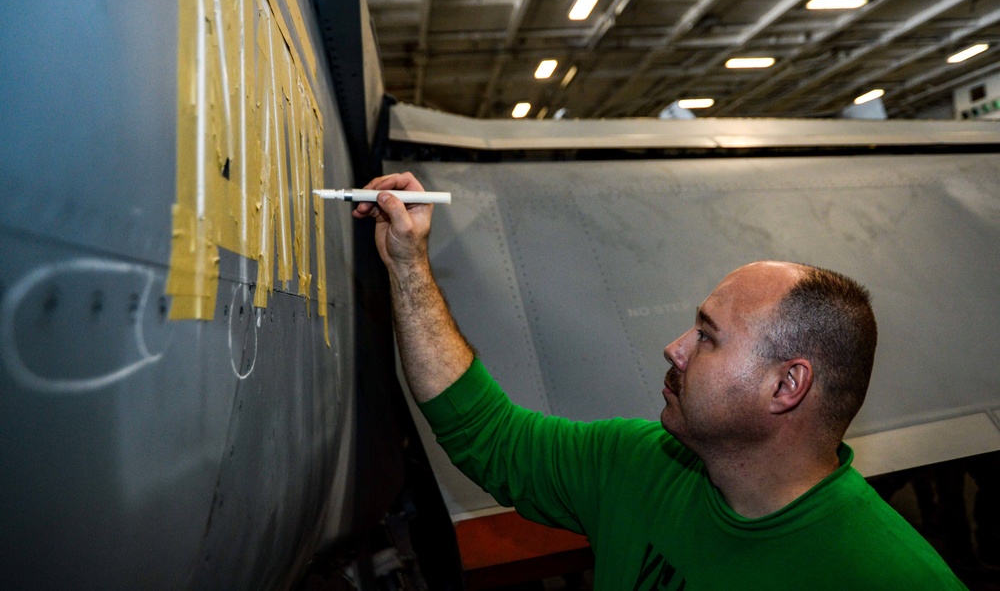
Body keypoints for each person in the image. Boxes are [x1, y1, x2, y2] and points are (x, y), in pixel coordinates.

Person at [353, 171, 967, 589]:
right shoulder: (640, 464)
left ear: (787, 387)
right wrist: (409, 266)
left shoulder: (890, 575)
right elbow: (486, 434)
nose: (674, 349)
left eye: (708, 335)